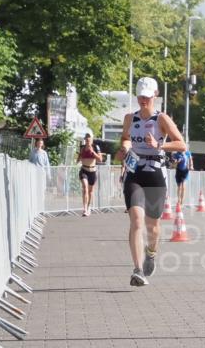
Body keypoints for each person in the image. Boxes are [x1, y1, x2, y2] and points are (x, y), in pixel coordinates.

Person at [117, 77, 186, 287]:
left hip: (155, 173)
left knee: (153, 226)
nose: (143, 100)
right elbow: (125, 138)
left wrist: (159, 145)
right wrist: (125, 148)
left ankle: (151, 253)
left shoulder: (161, 119)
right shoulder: (130, 118)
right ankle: (137, 270)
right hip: (134, 172)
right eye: (140, 96)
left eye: (147, 96)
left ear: (155, 95)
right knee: (137, 221)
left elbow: (181, 145)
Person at [78, 133, 105, 217]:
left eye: (89, 140)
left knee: (90, 191)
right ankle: (85, 209)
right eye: (86, 140)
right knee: (85, 188)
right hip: (84, 170)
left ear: (92, 140)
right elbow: (78, 159)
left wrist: (93, 152)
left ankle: (89, 207)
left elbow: (100, 159)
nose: (87, 142)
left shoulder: (96, 147)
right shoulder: (82, 148)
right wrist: (79, 157)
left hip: (92, 171)